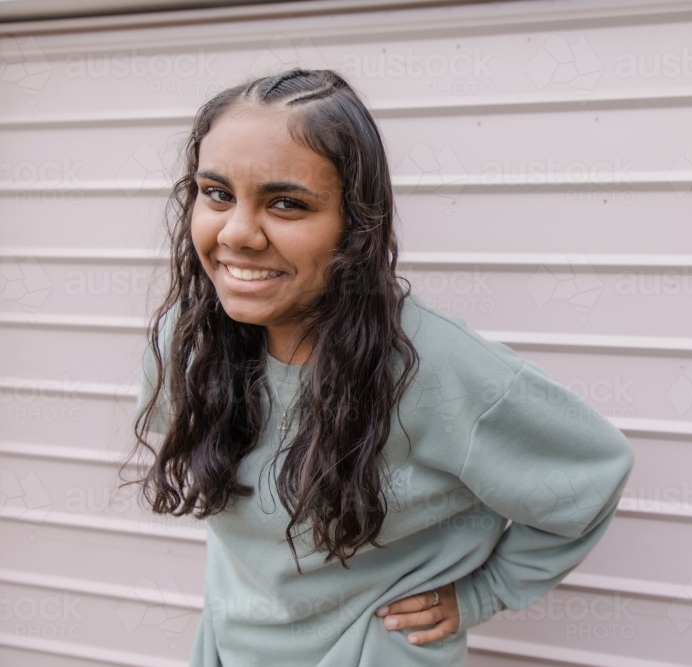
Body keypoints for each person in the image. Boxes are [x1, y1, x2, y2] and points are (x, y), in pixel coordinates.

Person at [132, 68, 634, 667]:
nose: (237, 233)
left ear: (356, 225)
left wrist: (481, 593)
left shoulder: (434, 367)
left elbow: (591, 474)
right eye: (216, 194)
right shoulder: (186, 344)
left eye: (286, 203)